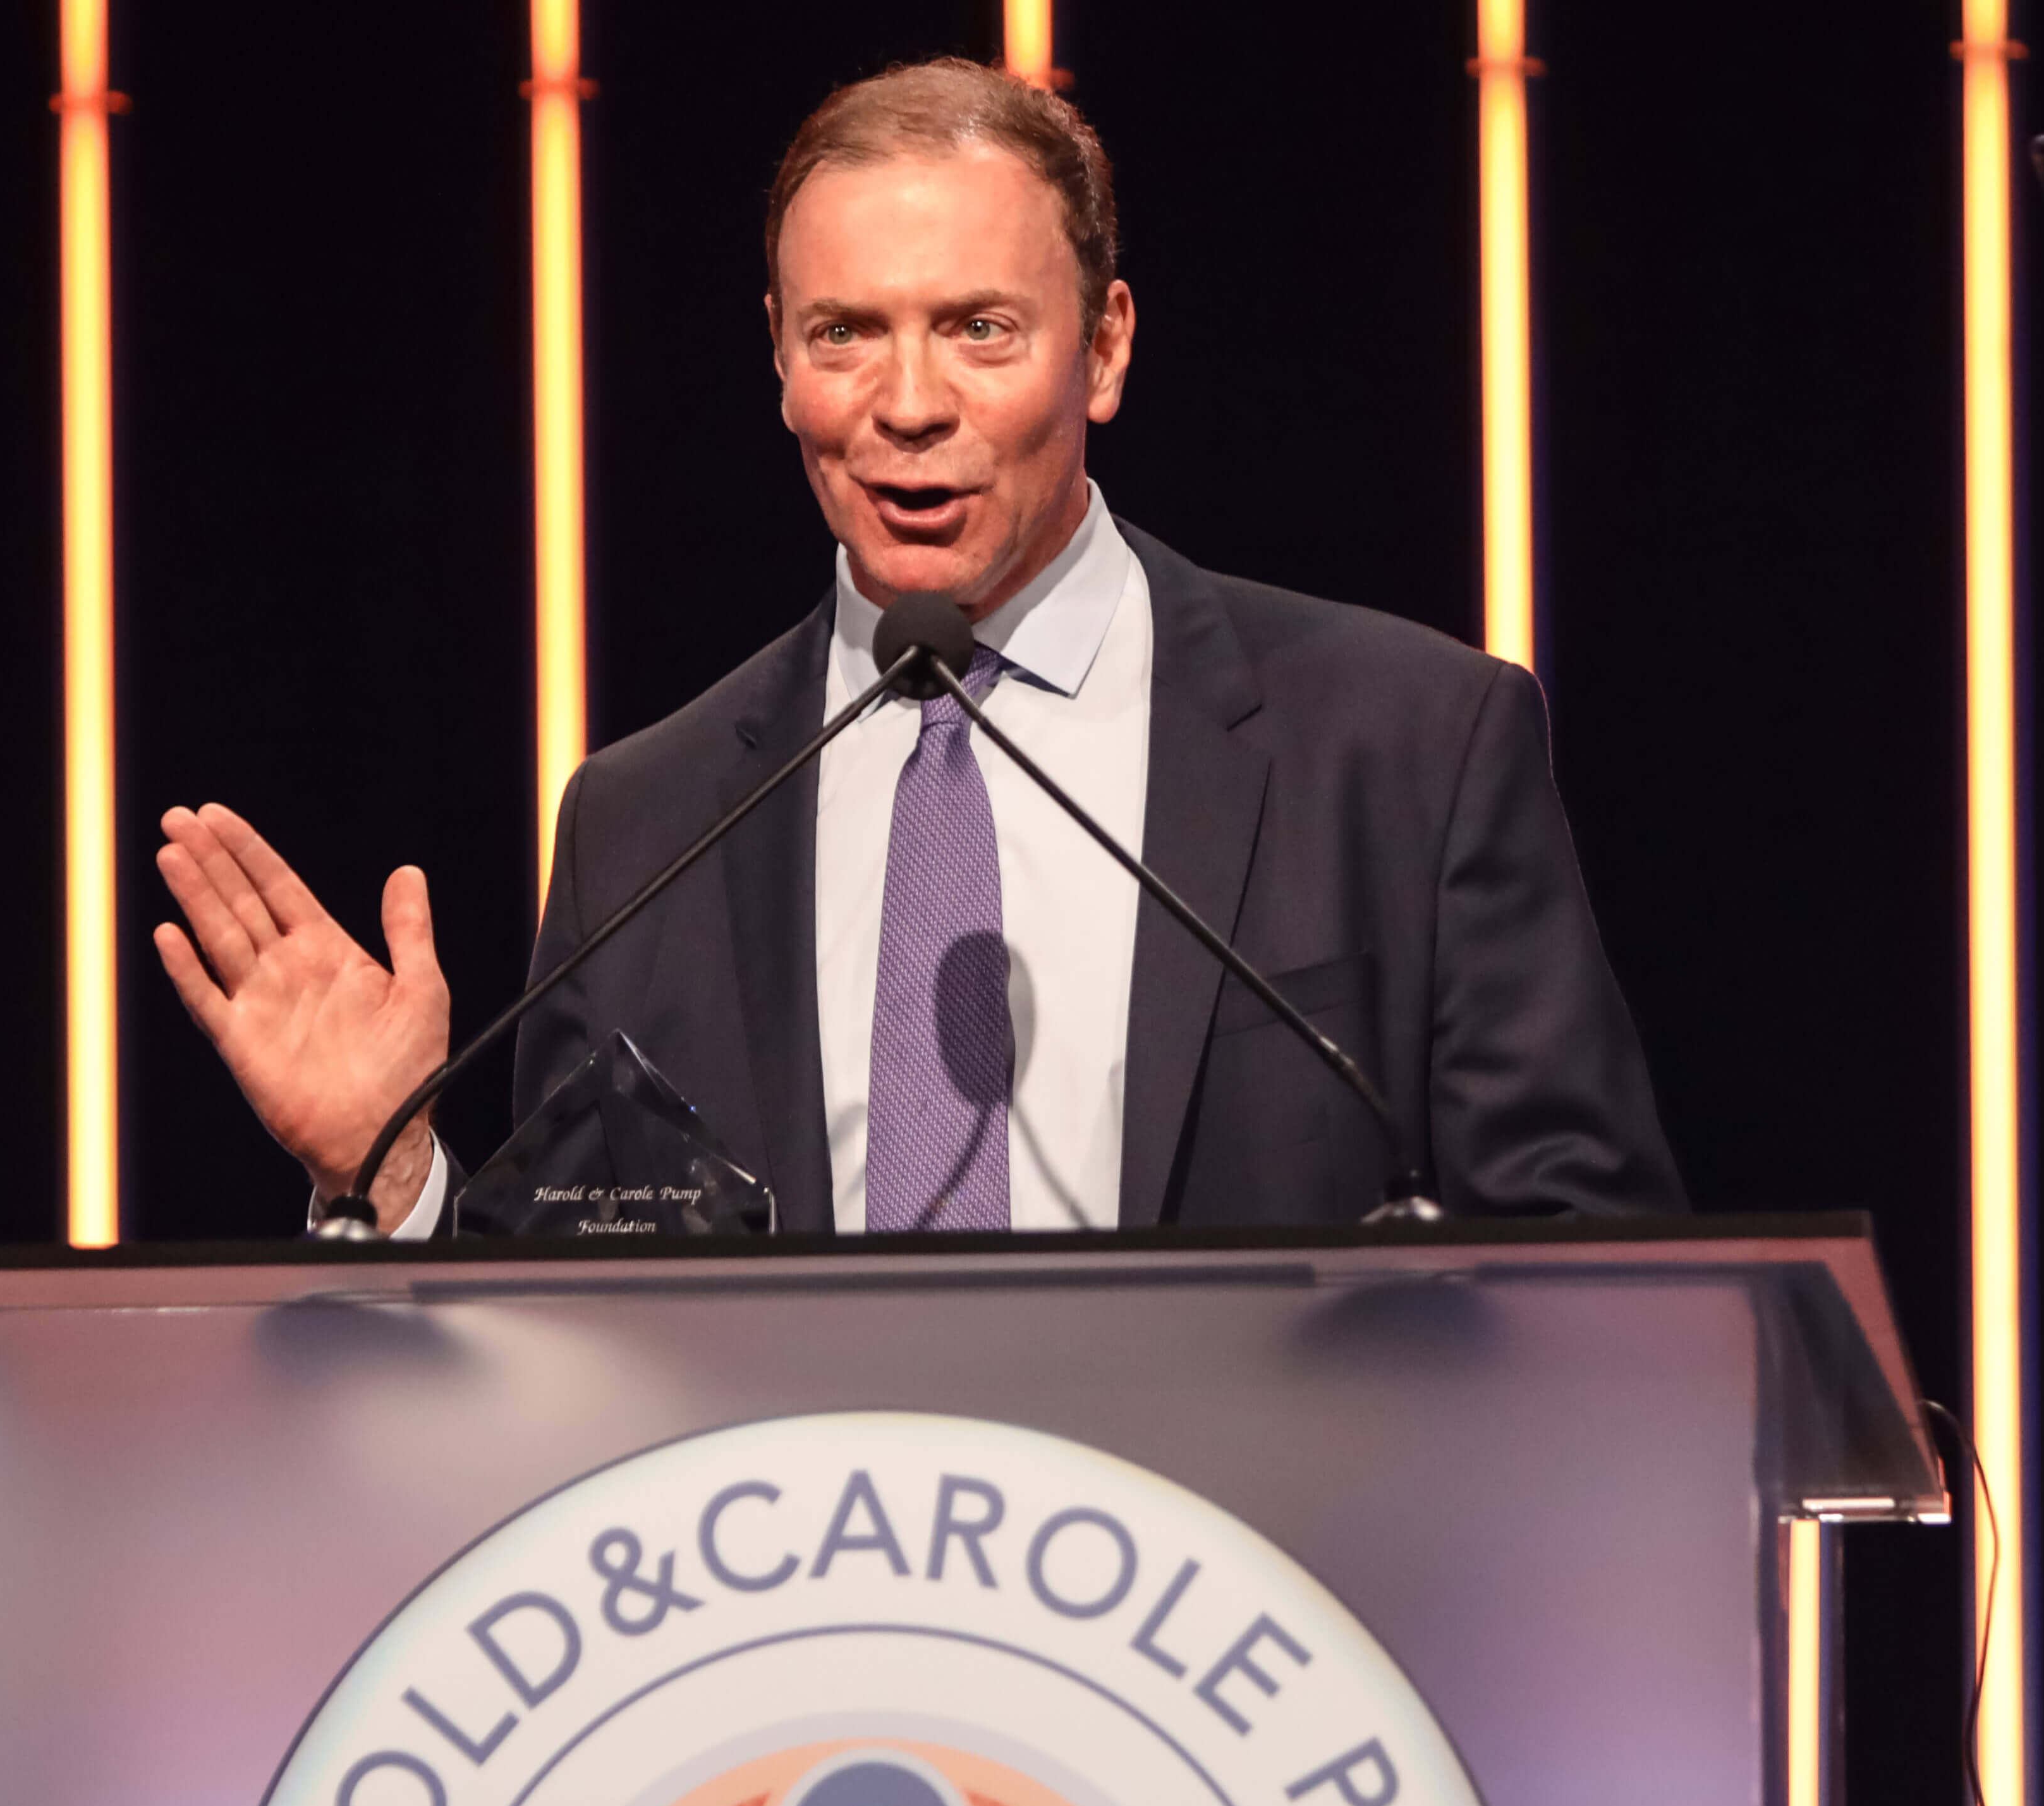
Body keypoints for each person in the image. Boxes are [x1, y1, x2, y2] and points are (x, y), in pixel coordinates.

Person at [148, 58, 1681, 1237]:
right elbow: (577, 1344)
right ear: (778, 360)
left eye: (978, 328)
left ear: (1106, 346)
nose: (907, 405)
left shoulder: (1405, 747)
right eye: (845, 334)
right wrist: (391, 1172)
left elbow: (1590, 1269)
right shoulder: (647, 823)